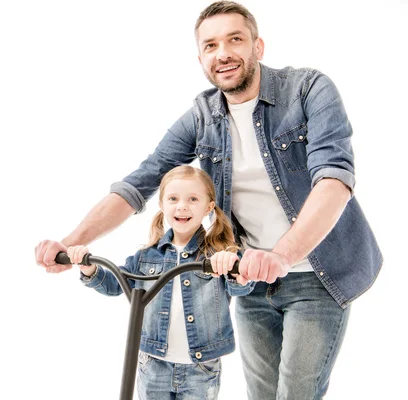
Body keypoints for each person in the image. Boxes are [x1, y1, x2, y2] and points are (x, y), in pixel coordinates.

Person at [35, 1, 382, 399]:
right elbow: (141, 182)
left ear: (258, 46)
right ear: (200, 57)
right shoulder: (202, 116)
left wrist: (280, 256)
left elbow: (334, 178)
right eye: (211, 45)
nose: (224, 54)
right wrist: (72, 241)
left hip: (318, 274)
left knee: (297, 392)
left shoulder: (308, 89)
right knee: (263, 393)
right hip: (246, 277)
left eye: (235, 39)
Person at [67, 165, 254, 400]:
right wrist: (89, 268)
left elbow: (240, 285)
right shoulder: (146, 256)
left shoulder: (216, 256)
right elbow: (116, 284)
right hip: (153, 365)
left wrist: (234, 268)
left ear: (208, 207)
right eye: (173, 198)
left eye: (193, 199)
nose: (182, 206)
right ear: (162, 205)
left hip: (200, 367)